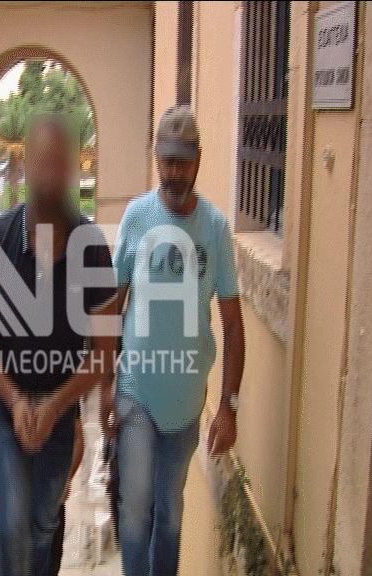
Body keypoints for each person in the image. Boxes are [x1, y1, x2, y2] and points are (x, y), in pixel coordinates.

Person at [0, 114, 118, 576]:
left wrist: (55, 404)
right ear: (26, 165)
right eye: (42, 163)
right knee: (12, 528)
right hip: (3, 406)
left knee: (43, 527)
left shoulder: (93, 248)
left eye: (60, 165)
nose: (50, 176)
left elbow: (104, 351)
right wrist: (15, 399)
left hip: (60, 411)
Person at [100, 105, 245, 576]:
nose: (174, 172)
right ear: (156, 158)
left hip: (185, 402)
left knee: (170, 514)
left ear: (198, 159)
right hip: (136, 391)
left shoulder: (215, 228)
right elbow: (112, 305)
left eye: (183, 162)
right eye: (167, 161)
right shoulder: (137, 217)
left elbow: (232, 323)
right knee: (136, 510)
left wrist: (229, 405)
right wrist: (104, 384)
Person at [48, 406, 83, 576]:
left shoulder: (67, 396)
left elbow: (78, 438)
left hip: (53, 488)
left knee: (51, 560)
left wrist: (67, 478)